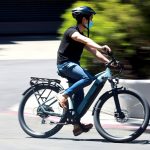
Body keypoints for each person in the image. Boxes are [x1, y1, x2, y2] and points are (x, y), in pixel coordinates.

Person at [56, 6, 111, 136]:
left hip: (73, 65)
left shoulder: (81, 35)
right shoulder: (72, 32)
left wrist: (108, 62)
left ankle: (76, 125)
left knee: (79, 96)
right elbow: (85, 40)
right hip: (65, 65)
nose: (92, 20)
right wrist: (101, 46)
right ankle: (63, 95)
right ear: (84, 19)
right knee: (87, 78)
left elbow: (94, 51)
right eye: (91, 18)